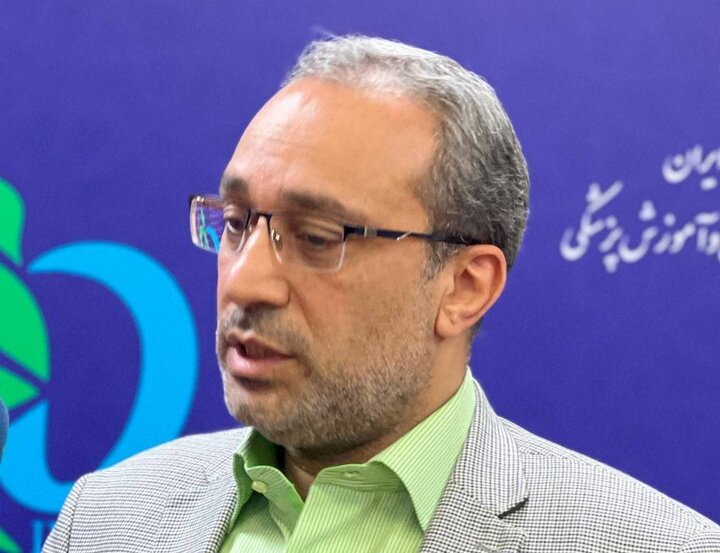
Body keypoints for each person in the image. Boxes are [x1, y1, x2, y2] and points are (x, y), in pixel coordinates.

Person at [44, 35, 719, 553]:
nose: (245, 282)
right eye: (239, 223)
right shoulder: (103, 519)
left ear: (464, 286)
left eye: (317, 237)